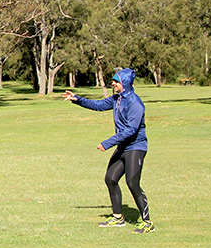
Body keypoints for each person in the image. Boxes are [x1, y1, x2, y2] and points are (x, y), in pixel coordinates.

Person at [62, 68, 154, 234]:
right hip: (123, 146)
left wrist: (108, 143)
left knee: (132, 183)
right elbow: (98, 105)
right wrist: (77, 99)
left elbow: (131, 131)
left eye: (116, 81)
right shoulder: (117, 99)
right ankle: (118, 218)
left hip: (136, 147)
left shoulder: (135, 103)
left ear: (124, 83)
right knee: (111, 179)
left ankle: (147, 222)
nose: (113, 84)